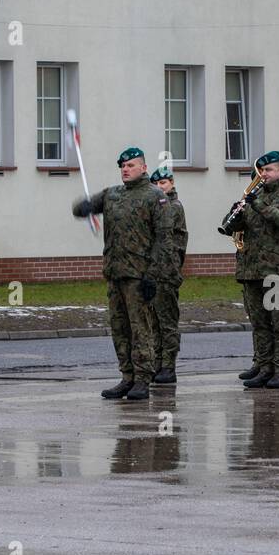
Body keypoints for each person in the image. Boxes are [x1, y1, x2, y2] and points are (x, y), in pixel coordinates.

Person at [73, 147, 175, 401]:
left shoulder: (155, 197)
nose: (125, 169)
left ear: (143, 167)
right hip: (115, 271)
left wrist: (154, 274)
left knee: (140, 328)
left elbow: (164, 239)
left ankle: (142, 378)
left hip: (140, 275)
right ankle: (127, 377)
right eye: (123, 166)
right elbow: (83, 209)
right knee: (120, 327)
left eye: (130, 165)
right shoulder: (112, 194)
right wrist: (83, 207)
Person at [222, 150, 279, 389]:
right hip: (252, 270)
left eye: (268, 170)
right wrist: (236, 214)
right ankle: (264, 366)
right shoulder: (254, 196)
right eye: (261, 171)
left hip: (277, 270)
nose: (263, 175)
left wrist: (257, 204)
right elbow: (231, 228)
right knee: (259, 323)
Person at [149, 166, 187, 385]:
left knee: (167, 322)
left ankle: (168, 366)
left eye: (163, 183)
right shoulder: (156, 205)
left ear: (171, 183)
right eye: (155, 184)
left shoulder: (173, 206)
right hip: (153, 272)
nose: (159, 187)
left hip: (167, 272)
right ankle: (157, 363)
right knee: (154, 322)